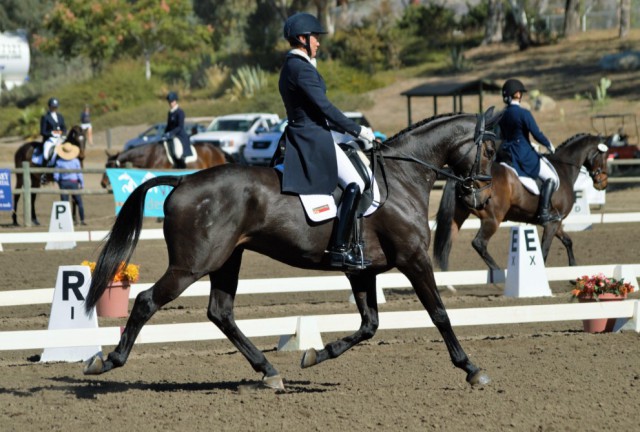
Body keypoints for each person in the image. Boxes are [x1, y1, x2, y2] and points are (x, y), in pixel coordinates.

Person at [279, 12, 376, 270]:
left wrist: (346, 132)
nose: (319, 43)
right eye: (315, 38)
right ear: (303, 38)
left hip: (309, 133)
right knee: (355, 182)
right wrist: (358, 130)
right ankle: (340, 249)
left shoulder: (293, 66)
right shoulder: (301, 69)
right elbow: (325, 108)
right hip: (312, 139)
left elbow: (316, 111)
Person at [499, 78, 560, 225]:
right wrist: (549, 145)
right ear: (518, 94)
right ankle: (544, 213)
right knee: (551, 178)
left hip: (508, 153)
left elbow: (504, 135)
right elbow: (537, 133)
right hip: (524, 155)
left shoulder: (502, 115)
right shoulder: (523, 113)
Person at [53, 142, 86, 225]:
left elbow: (56, 174)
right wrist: (82, 183)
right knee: (79, 201)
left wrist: (57, 181)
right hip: (74, 182)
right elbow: (79, 173)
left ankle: (65, 221)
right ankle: (82, 220)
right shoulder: (76, 161)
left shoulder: (59, 162)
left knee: (65, 202)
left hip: (63, 182)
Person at [164, 91, 192, 169]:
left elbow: (180, 126)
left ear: (175, 101)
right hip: (171, 135)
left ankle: (182, 166)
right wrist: (165, 133)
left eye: (172, 101)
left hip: (179, 135)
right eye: (169, 102)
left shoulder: (180, 112)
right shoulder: (170, 113)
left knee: (177, 153)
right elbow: (169, 125)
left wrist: (171, 133)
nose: (170, 103)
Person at [40, 97, 67, 168]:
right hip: (50, 140)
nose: (54, 108)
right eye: (53, 107)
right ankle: (44, 171)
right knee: (46, 154)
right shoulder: (45, 117)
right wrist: (51, 133)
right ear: (49, 107)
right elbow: (43, 132)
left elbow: (64, 128)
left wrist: (62, 132)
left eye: (55, 107)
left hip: (60, 138)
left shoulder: (60, 116)